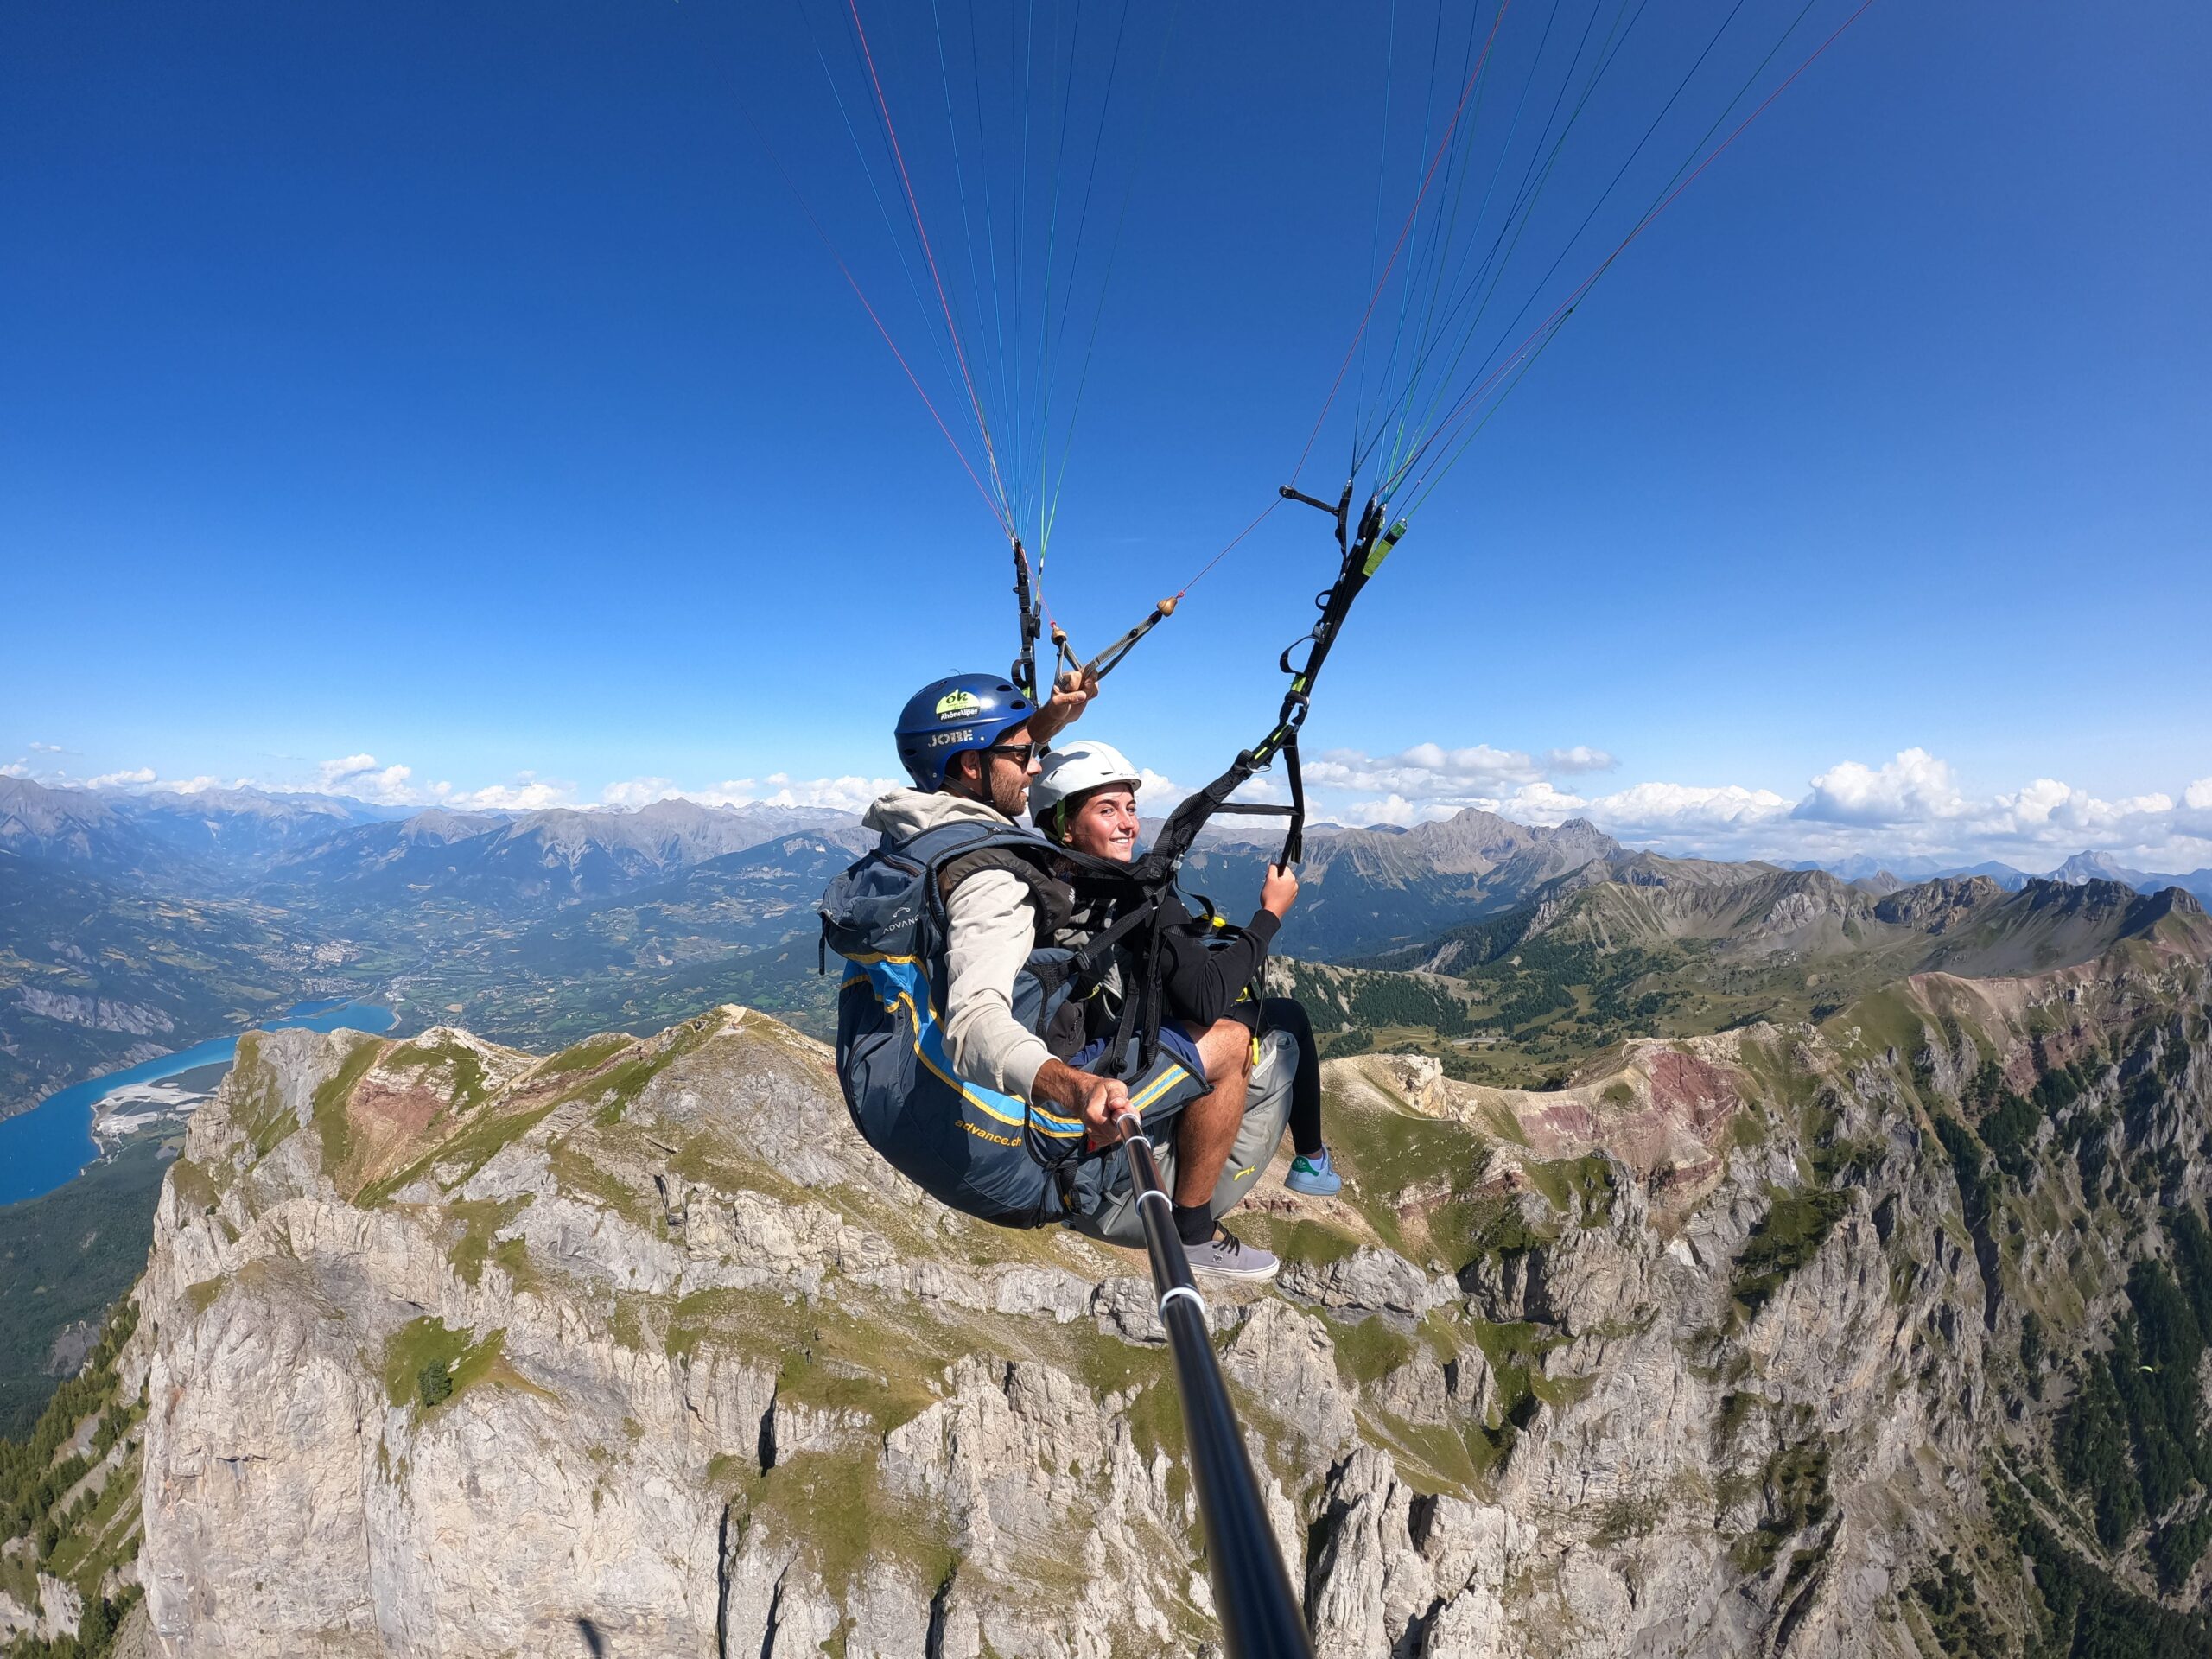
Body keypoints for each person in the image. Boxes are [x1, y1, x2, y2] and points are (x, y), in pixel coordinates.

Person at [829, 671, 1281, 1281]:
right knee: (1228, 1040)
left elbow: (979, 777)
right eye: (1022, 754)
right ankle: (1194, 1230)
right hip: (1001, 1140)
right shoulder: (994, 884)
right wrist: (1075, 1089)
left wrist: (1048, 720)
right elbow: (977, 1024)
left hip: (888, 1087)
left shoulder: (915, 827)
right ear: (969, 763)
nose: (1036, 766)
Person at [1030, 739, 1342, 1200]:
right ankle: (1306, 1165)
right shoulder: (1140, 893)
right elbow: (1205, 999)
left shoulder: (1046, 881)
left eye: (1130, 808)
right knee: (1286, 1016)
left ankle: (1310, 1162)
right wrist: (1269, 916)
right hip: (1111, 1059)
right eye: (1107, 810)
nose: (1128, 824)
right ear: (1067, 826)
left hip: (1080, 1040)